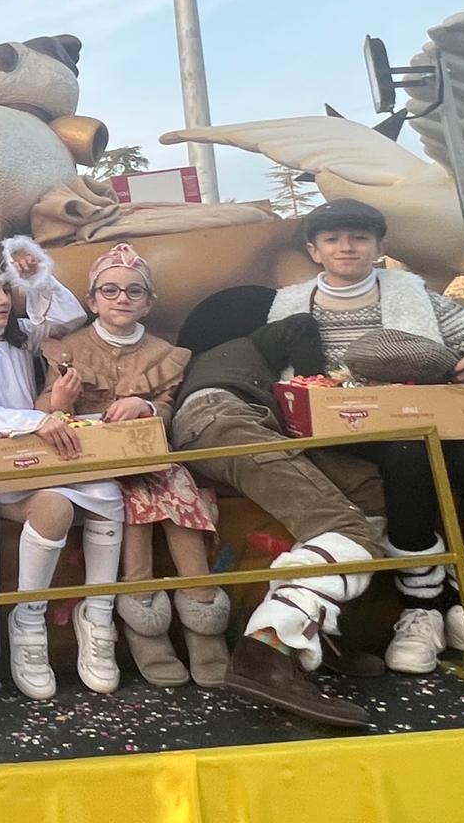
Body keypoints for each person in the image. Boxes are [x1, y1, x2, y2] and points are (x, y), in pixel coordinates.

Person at [269, 197, 464, 674]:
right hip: (348, 427)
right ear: (315, 250)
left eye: (359, 238)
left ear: (380, 245)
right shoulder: (290, 306)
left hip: (432, 412)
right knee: (407, 453)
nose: (347, 248)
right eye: (333, 239)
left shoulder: (421, 298)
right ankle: (422, 608)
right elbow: (278, 376)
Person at [169, 301, 384, 728]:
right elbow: (300, 325)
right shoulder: (244, 343)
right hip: (223, 417)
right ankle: (268, 647)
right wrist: (317, 382)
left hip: (230, 424)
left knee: (365, 485)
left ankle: (314, 623)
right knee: (343, 525)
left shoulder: (204, 367)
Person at [0, 244, 127, 701]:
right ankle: (27, 622)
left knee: (111, 491)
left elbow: (67, 315)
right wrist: (36, 420)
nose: (2, 300)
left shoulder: (20, 335)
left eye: (5, 289)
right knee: (54, 507)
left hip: (44, 453)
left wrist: (36, 277)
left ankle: (98, 614)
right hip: (3, 468)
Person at [39, 244, 228, 688]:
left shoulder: (165, 354)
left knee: (177, 502)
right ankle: (149, 639)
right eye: (110, 289)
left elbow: (168, 411)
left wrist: (144, 404)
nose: (121, 298)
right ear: (92, 300)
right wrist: (59, 402)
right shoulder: (68, 350)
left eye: (133, 291)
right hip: (92, 464)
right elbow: (43, 410)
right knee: (137, 519)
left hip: (149, 459)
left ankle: (206, 633)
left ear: (148, 302)